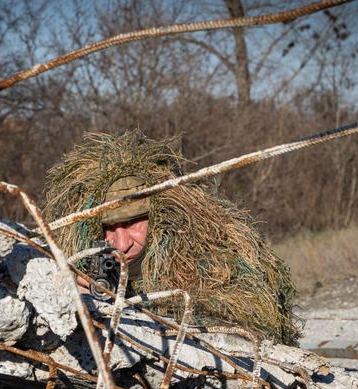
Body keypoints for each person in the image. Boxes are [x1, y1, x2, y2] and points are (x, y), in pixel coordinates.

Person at [43, 131, 300, 346]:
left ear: (161, 216)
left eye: (132, 223)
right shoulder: (79, 258)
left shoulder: (214, 253)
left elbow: (254, 325)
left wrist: (141, 310)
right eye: (108, 228)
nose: (121, 244)